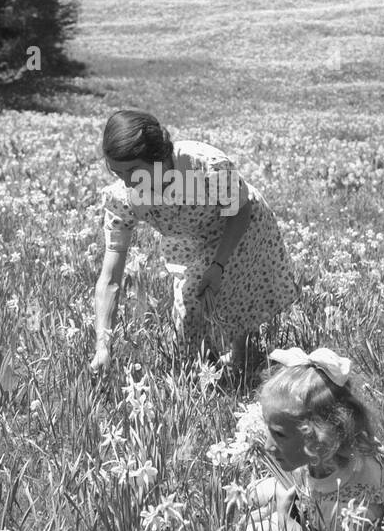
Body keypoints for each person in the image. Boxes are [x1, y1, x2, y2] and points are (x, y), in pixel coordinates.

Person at [90, 110, 296, 380]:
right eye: (118, 172)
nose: (128, 181)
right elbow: (110, 279)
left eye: (133, 170)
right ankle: (207, 371)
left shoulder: (205, 166)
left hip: (240, 225)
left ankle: (241, 362)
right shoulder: (124, 197)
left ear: (159, 157)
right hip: (190, 240)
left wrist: (219, 265)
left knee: (231, 296)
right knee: (190, 316)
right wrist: (103, 346)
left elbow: (239, 211)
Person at [243, 347, 384, 531]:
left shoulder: (351, 511)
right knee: (253, 494)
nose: (268, 445)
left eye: (279, 434)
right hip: (317, 501)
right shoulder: (324, 456)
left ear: (320, 439)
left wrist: (284, 520)